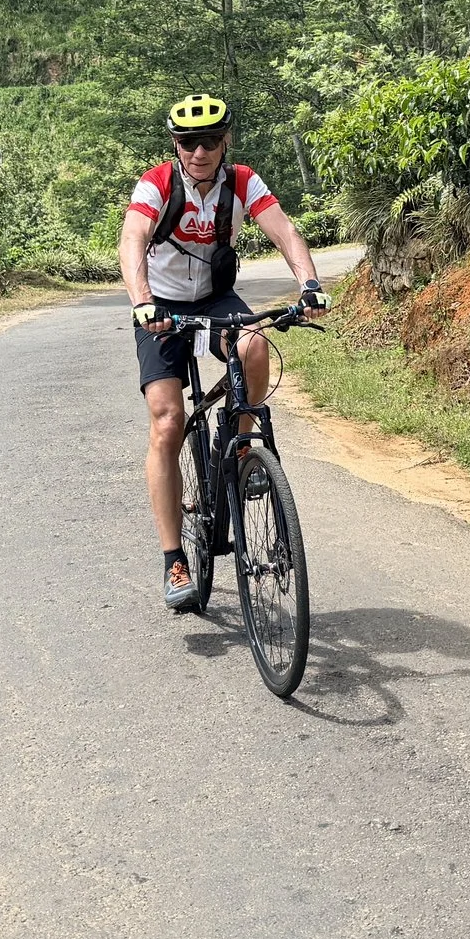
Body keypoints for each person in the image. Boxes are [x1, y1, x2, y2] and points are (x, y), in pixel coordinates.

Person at [120, 93, 325, 610]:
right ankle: (174, 559)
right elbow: (133, 239)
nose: (200, 151)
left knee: (254, 344)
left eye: (210, 140)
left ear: (225, 140)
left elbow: (285, 231)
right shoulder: (157, 183)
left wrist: (310, 284)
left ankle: (237, 445)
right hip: (162, 306)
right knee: (168, 420)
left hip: (215, 298)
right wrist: (142, 302)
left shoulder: (242, 181)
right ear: (176, 144)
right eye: (189, 142)